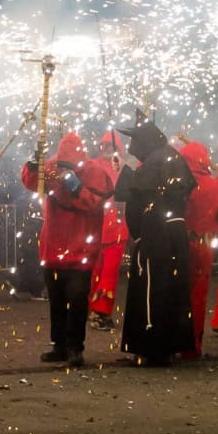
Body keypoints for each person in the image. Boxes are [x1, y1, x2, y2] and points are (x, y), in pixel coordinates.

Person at [23, 131, 113, 366]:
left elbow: (96, 202)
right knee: (57, 301)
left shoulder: (94, 172)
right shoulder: (52, 167)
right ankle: (60, 346)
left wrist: (76, 188)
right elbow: (32, 183)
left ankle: (75, 348)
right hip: (54, 250)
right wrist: (33, 163)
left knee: (77, 301)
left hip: (81, 252)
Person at [114, 120, 196, 366]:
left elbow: (130, 197)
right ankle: (169, 347)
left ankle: (152, 348)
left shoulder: (152, 164)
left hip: (155, 234)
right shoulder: (174, 159)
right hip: (175, 233)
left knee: (153, 289)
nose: (132, 146)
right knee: (173, 287)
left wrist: (127, 170)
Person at [176, 140, 218, 359]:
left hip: (178, 242)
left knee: (176, 292)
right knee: (198, 295)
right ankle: (193, 346)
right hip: (204, 244)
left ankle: (173, 341)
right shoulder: (214, 185)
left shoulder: (178, 182)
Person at [87, 131, 128, 330]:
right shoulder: (116, 167)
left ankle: (95, 310)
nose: (106, 149)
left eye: (109, 146)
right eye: (104, 146)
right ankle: (99, 312)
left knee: (102, 273)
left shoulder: (104, 166)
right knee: (103, 273)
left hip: (106, 229)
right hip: (107, 229)